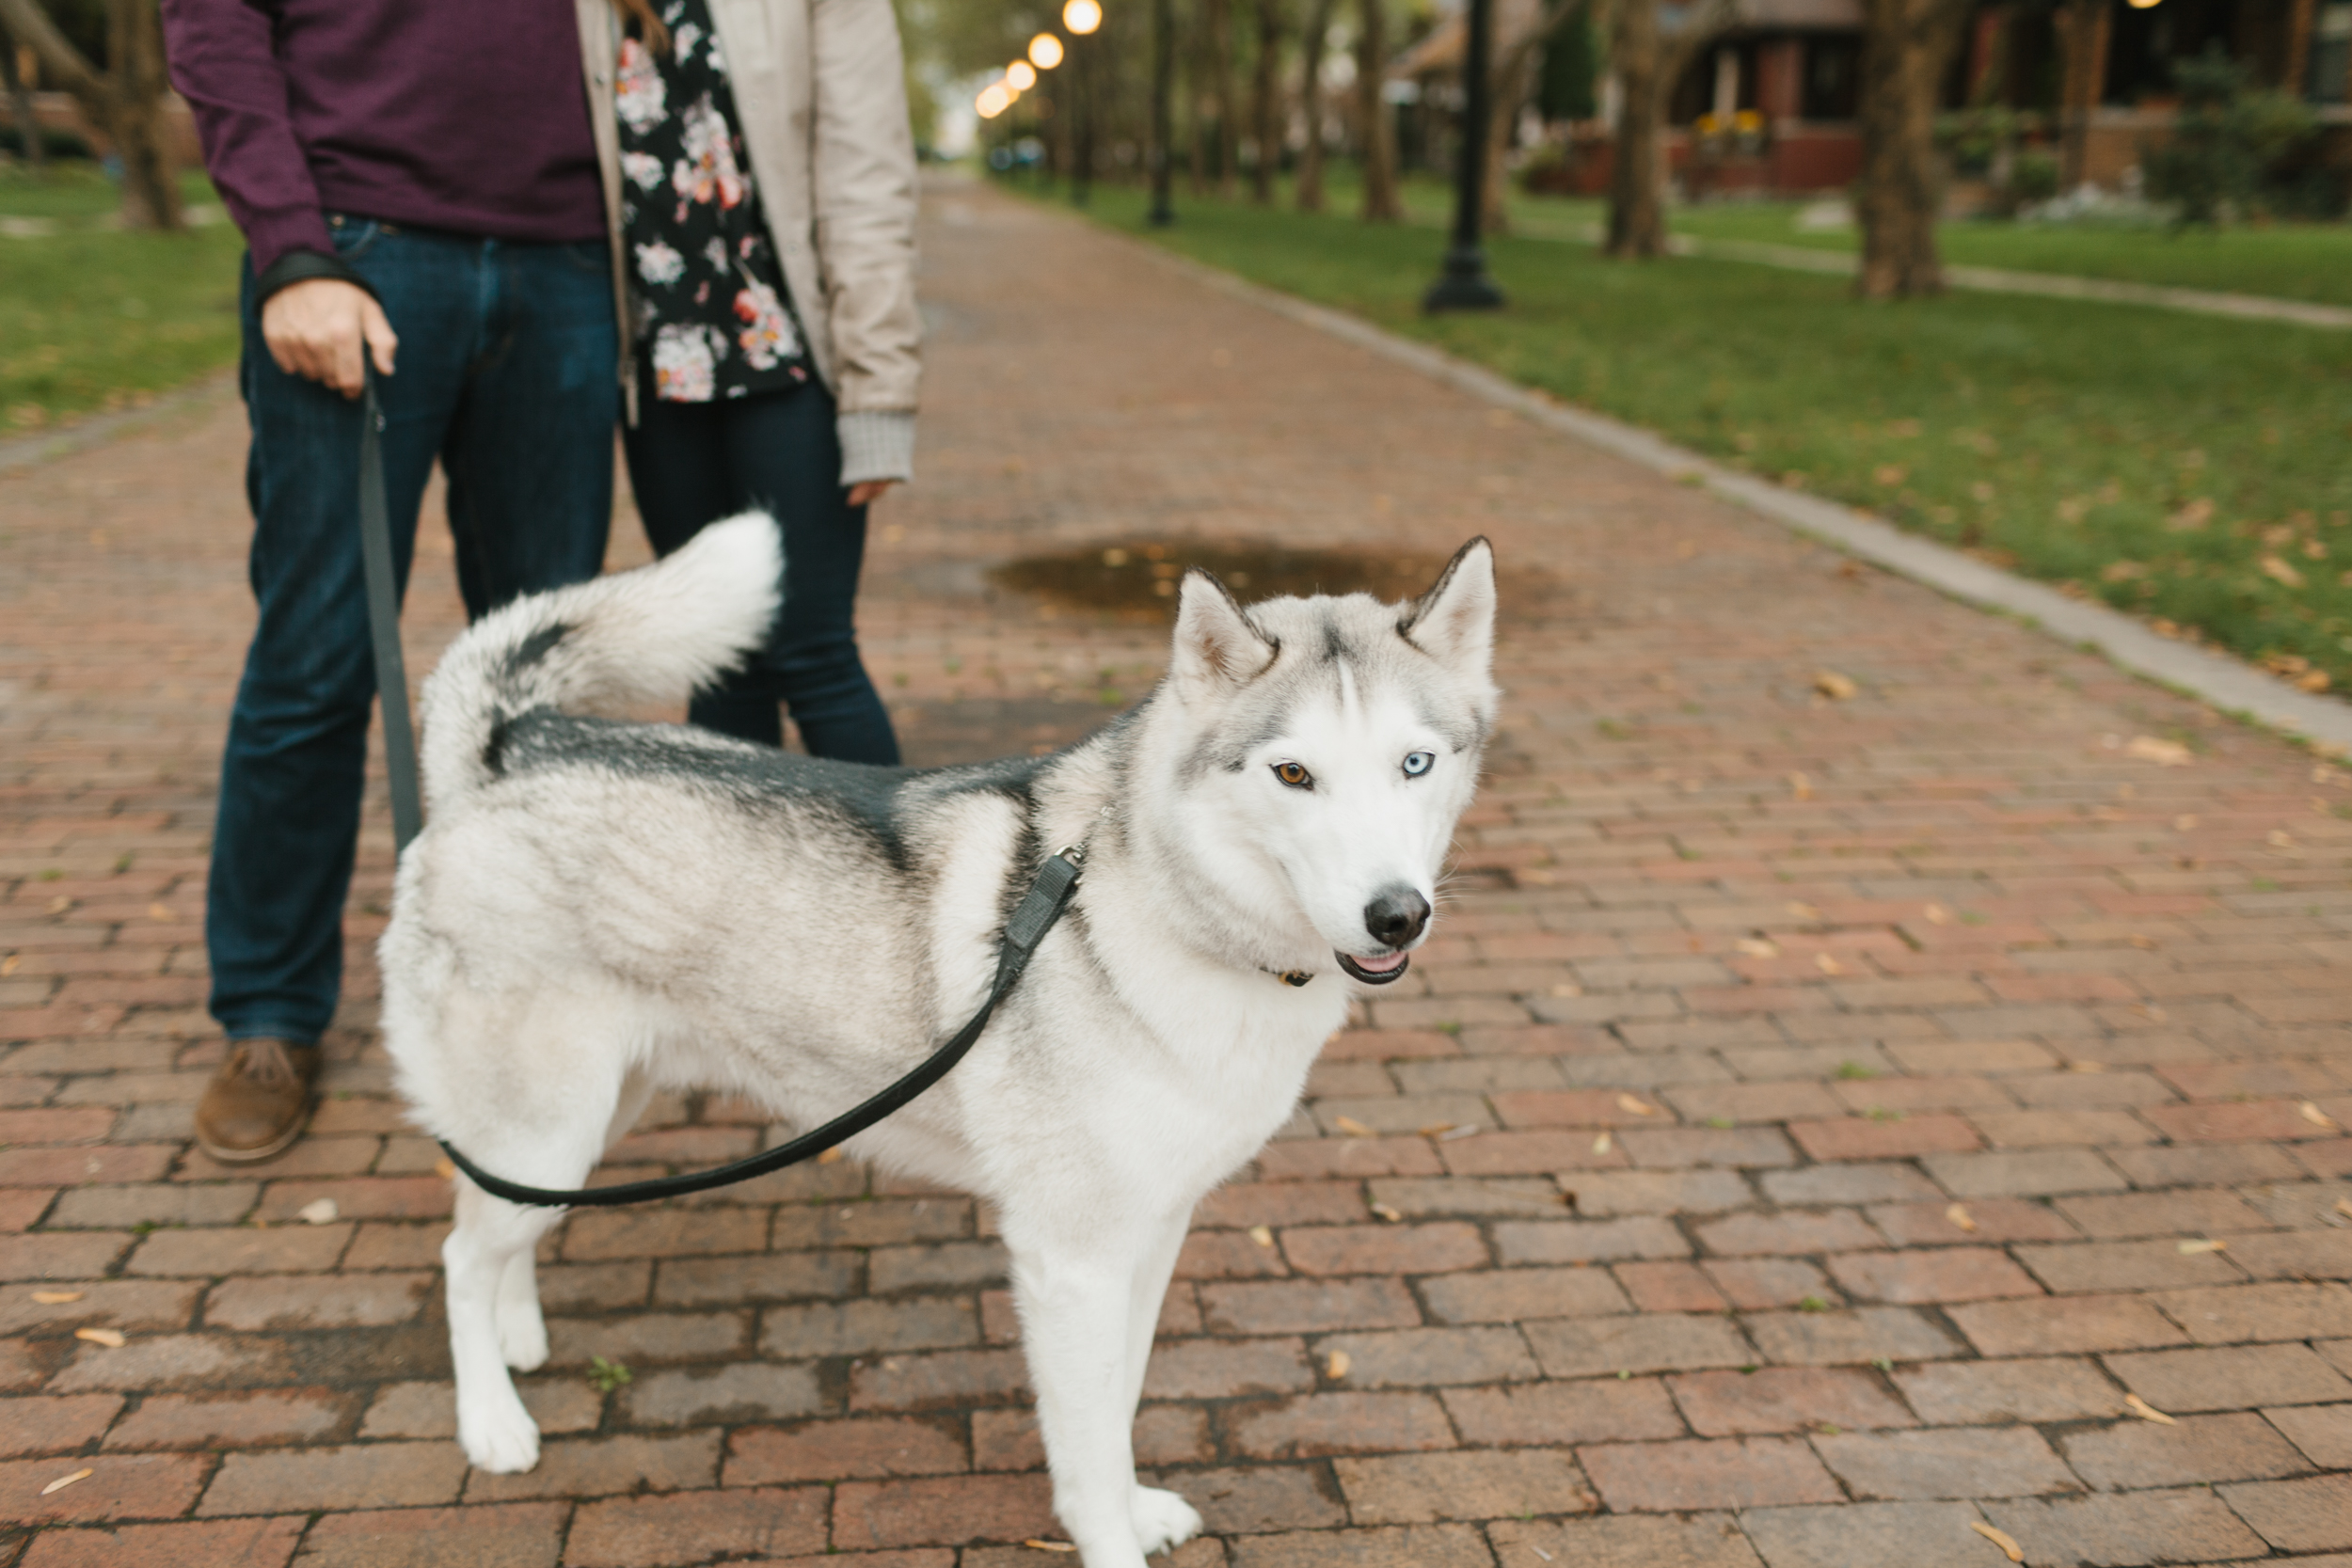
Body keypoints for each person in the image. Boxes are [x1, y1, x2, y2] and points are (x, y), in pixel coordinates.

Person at [160, 0, 628, 1163]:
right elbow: (214, 23)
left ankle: (527, 995)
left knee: (539, 691)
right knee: (315, 658)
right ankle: (269, 1012)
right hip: (357, 250)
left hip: (569, 259)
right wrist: (288, 247)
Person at [596, 0, 919, 759]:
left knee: (815, 655)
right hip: (660, 374)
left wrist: (878, 390)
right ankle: (737, 880)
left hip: (788, 356)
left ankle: (895, 880)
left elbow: (866, 181)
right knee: (720, 660)